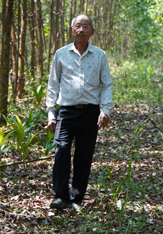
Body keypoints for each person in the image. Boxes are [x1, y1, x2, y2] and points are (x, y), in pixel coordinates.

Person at [45, 14, 113, 211]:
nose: (81, 30)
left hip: (90, 112)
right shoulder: (61, 54)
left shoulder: (100, 55)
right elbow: (53, 85)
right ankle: (60, 196)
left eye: (85, 26)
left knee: (84, 155)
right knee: (62, 149)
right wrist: (51, 113)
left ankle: (76, 198)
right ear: (72, 30)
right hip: (65, 112)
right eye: (77, 26)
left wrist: (105, 110)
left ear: (92, 31)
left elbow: (106, 84)